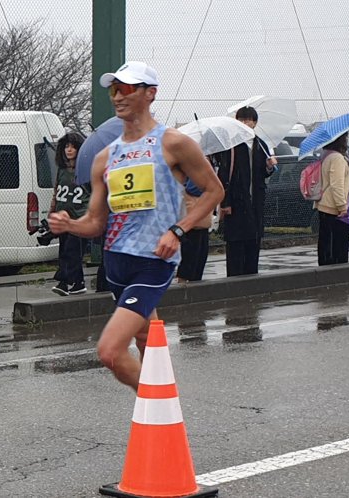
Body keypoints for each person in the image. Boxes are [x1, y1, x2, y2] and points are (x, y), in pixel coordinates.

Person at [47, 61, 223, 389]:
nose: (117, 96)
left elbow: (215, 191)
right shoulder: (105, 157)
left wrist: (178, 231)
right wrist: (70, 225)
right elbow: (96, 223)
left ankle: (159, 405)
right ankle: (159, 412)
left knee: (110, 352)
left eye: (127, 88)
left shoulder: (173, 143)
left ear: (150, 94)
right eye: (114, 89)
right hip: (116, 263)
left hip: (153, 261)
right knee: (145, 337)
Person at [215, 106, 278, 276]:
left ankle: (251, 279)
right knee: (235, 243)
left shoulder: (261, 144)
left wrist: (269, 166)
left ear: (255, 122)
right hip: (235, 202)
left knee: (253, 240)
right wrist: (225, 202)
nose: (245, 123)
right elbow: (224, 175)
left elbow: (263, 173)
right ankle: (235, 280)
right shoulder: (231, 145)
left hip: (255, 201)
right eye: (241, 120)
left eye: (248, 119)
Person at [50, 132, 89, 296]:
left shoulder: (87, 170)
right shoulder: (61, 170)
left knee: (72, 250)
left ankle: (65, 281)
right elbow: (56, 191)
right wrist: (52, 212)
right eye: (66, 146)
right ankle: (78, 282)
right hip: (63, 216)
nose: (69, 150)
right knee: (64, 249)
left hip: (80, 218)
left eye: (73, 147)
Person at [315, 134, 349, 265]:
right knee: (338, 245)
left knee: (326, 242)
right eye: (346, 138)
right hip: (334, 208)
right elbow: (337, 184)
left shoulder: (325, 155)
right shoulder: (337, 158)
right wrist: (342, 207)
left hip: (323, 205)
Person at [175, 176, 213, 282]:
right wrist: (210, 187)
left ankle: (189, 286)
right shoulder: (196, 162)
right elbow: (193, 187)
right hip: (195, 215)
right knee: (191, 257)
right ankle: (185, 287)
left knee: (197, 257)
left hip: (199, 217)